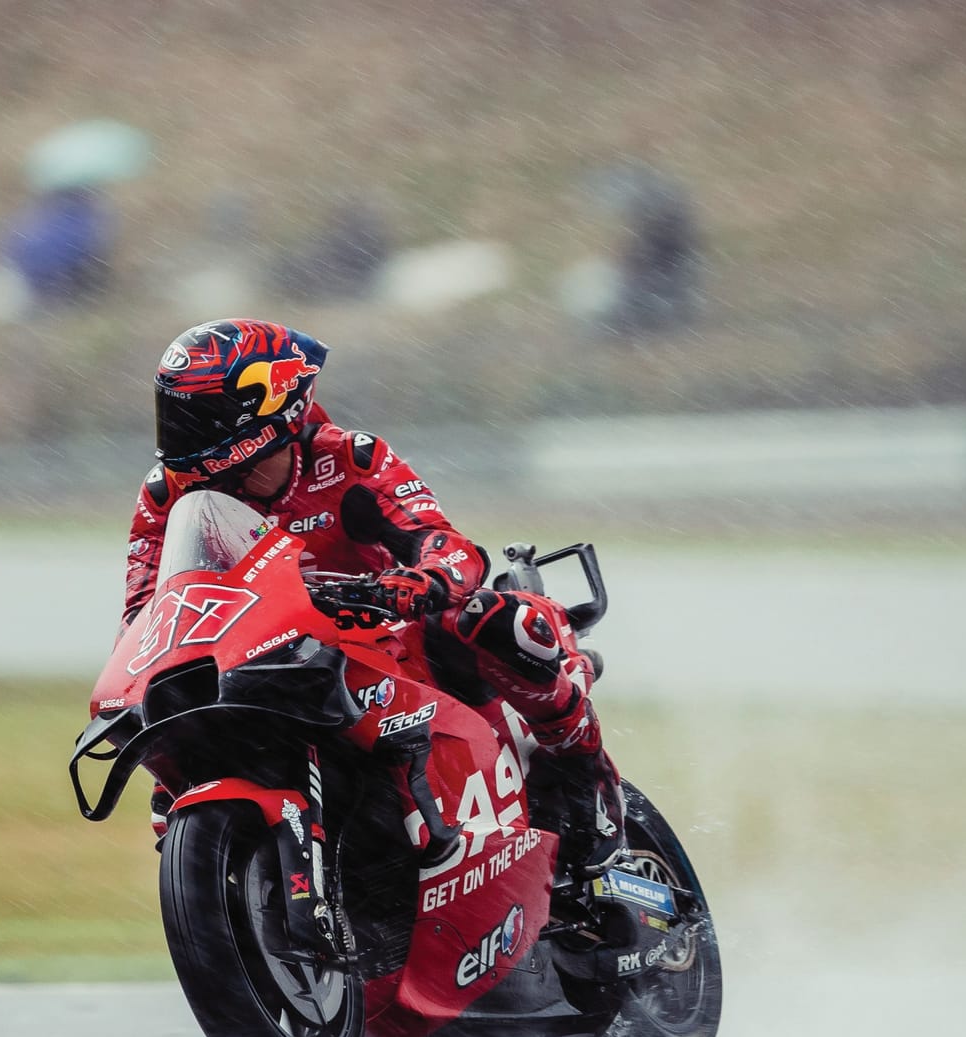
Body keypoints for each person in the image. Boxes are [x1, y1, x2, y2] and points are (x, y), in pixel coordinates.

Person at [124, 318, 624, 871]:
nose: (183, 431)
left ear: (269, 400)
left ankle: (583, 767)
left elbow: (450, 546)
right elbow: (145, 609)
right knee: (166, 775)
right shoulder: (167, 497)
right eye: (176, 413)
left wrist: (421, 581)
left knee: (490, 619)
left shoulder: (351, 459)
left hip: (385, 640)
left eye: (200, 415)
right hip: (261, 654)